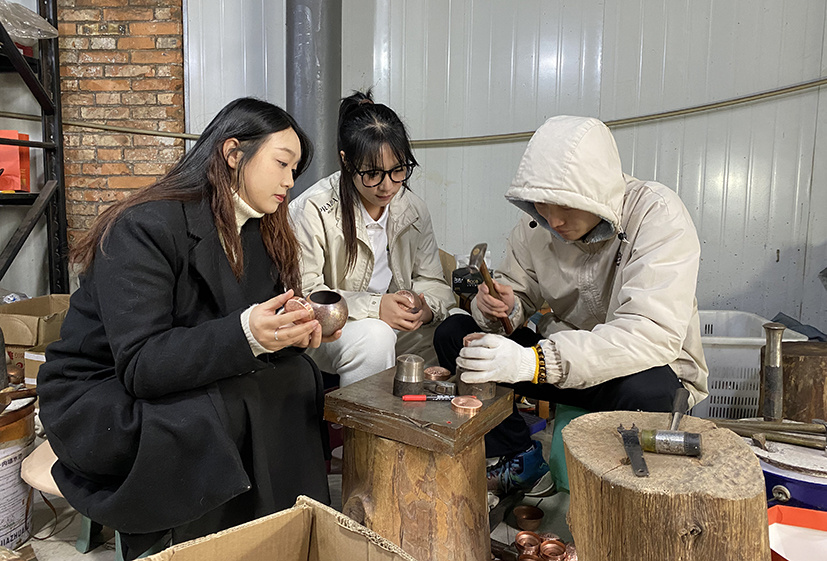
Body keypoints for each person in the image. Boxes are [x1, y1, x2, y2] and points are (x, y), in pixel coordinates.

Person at [37, 98, 339, 559]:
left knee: (296, 380)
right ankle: (200, 550)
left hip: (187, 374)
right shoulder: (145, 225)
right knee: (215, 413)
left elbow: (240, 339)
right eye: (282, 163)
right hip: (103, 394)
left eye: (295, 169)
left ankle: (286, 538)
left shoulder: (260, 233)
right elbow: (141, 364)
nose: (289, 181)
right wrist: (250, 335)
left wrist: (290, 333)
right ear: (233, 152)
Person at [434, 115, 709, 498]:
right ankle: (521, 455)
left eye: (565, 205)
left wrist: (536, 362)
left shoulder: (657, 215)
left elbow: (649, 334)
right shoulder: (536, 229)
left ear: (596, 192)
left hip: (637, 372)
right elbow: (518, 298)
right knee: (457, 334)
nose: (554, 220)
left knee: (649, 391)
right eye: (542, 205)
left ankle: (629, 503)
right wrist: (502, 308)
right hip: (564, 362)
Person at [290, 90, 455, 387]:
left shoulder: (411, 209)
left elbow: (435, 282)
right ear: (346, 161)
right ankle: (360, 431)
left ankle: (417, 428)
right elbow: (307, 295)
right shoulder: (312, 209)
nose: (387, 186)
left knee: (456, 331)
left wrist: (425, 306)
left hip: (394, 321)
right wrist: (375, 307)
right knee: (374, 336)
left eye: (398, 171)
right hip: (331, 330)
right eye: (372, 174)